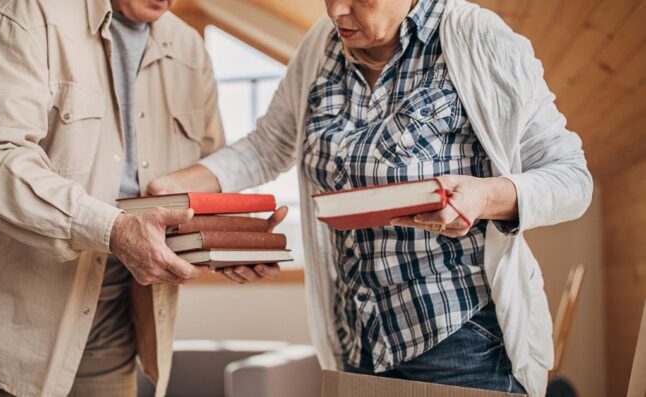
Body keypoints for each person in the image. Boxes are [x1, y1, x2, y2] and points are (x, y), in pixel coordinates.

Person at [147, 0, 593, 396]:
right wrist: (181, 184)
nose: (336, 11)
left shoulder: (476, 37)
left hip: (464, 344)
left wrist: (486, 196)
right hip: (357, 345)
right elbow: (267, 145)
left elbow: (572, 179)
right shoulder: (318, 49)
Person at [0, 0, 271, 396]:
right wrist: (113, 229)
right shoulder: (30, 15)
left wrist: (222, 245)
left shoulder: (189, 48)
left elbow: (202, 177)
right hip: (1, 330)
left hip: (113, 330)